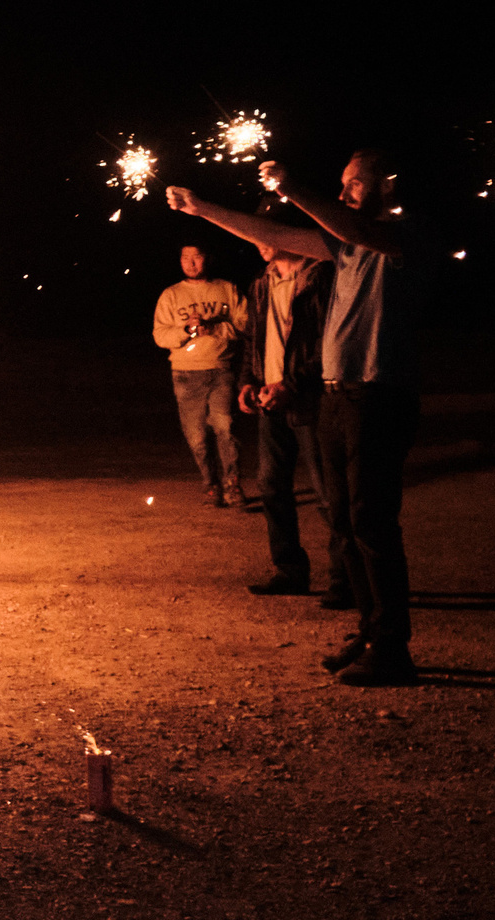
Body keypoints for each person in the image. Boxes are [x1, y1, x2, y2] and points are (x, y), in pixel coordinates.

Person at [169, 149, 438, 687]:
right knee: (346, 519)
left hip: (378, 395)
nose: (342, 193)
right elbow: (276, 234)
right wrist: (204, 209)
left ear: (386, 186)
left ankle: (392, 647)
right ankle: (369, 631)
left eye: (354, 183)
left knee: (371, 521)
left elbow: (350, 226)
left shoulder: (403, 236)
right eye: (341, 183)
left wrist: (291, 187)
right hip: (338, 396)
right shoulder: (345, 245)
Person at [237, 224, 340, 597]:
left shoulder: (320, 278)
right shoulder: (262, 283)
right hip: (271, 400)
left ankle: (346, 578)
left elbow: (330, 343)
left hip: (310, 400)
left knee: (328, 491)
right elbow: (254, 338)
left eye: (264, 233)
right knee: (271, 485)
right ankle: (290, 570)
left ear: (287, 234)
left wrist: (291, 386)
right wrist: (248, 381)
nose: (257, 242)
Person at [152, 244, 250, 507]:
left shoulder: (227, 289)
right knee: (196, 436)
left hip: (220, 368)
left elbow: (246, 324)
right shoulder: (171, 295)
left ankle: (233, 484)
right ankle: (210, 484)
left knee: (226, 427)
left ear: (208, 258)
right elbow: (160, 335)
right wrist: (186, 330)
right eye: (185, 257)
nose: (191, 263)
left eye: (196, 256)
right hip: (185, 373)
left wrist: (214, 328)